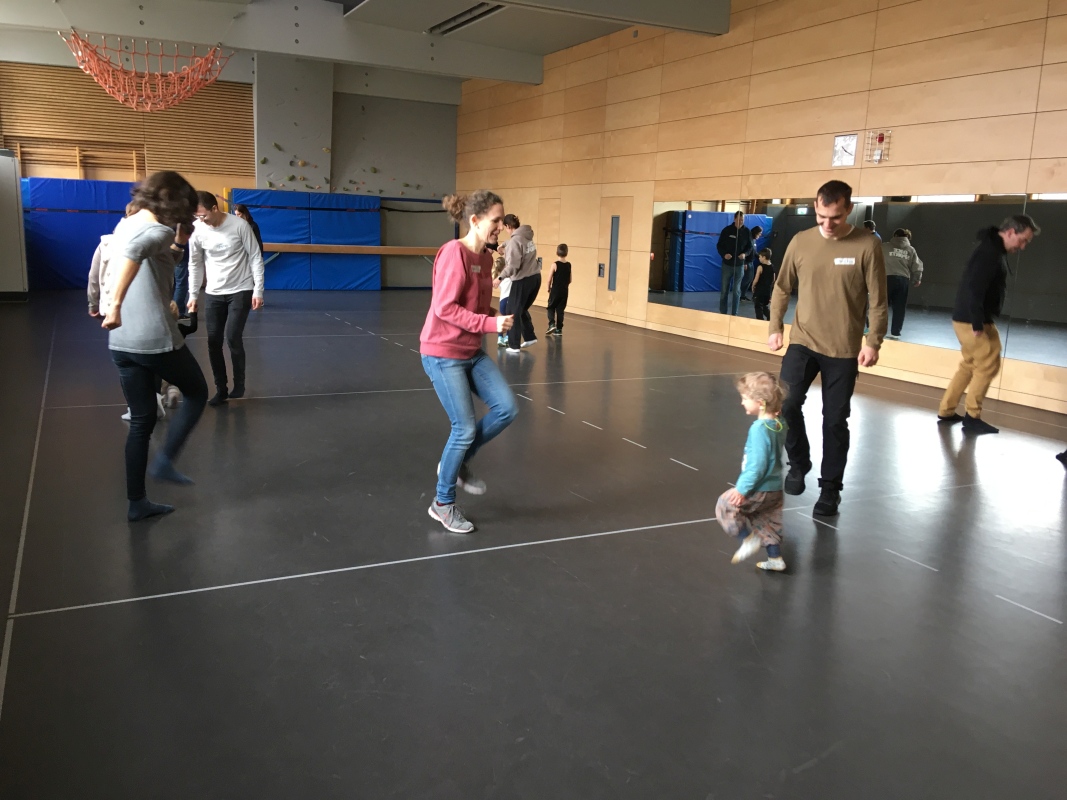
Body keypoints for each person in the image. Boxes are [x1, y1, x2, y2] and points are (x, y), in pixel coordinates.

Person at [768, 180, 887, 517]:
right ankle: (799, 462)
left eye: (835, 217)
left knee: (834, 420)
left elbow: (879, 300)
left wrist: (873, 341)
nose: (827, 224)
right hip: (803, 341)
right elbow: (782, 287)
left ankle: (830, 489)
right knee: (786, 402)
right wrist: (775, 327)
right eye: (821, 216)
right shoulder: (801, 241)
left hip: (843, 349)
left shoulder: (867, 244)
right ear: (816, 208)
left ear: (849, 209)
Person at [100, 171, 209, 522]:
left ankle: (137, 502)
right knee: (197, 393)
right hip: (153, 337)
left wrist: (179, 244)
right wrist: (115, 304)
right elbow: (136, 253)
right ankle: (164, 462)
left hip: (121, 342)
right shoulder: (157, 230)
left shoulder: (127, 224)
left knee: (142, 420)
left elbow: (150, 263)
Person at [421, 191, 518, 533]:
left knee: (507, 408)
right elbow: (445, 308)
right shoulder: (454, 253)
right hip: (442, 352)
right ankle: (442, 503)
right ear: (475, 221)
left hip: (470, 351)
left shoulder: (484, 259)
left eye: (502, 221)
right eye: (496, 221)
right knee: (462, 429)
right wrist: (491, 324)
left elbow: (473, 306)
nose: (501, 227)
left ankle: (458, 461)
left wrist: (495, 315)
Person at [937, 215, 1039, 435]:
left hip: (970, 318)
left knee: (970, 364)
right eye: (1022, 240)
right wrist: (977, 322)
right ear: (1010, 232)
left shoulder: (992, 249)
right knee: (988, 365)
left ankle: (946, 410)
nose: (1022, 246)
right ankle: (972, 417)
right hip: (972, 320)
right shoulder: (989, 253)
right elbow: (975, 287)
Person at [187, 191, 265, 405]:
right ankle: (221, 389)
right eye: (196, 216)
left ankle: (239, 383)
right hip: (214, 292)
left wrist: (258, 290)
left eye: (203, 215)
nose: (200, 220)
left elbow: (255, 256)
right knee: (213, 341)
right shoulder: (198, 229)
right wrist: (193, 294)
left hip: (241, 288)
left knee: (232, 337)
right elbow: (195, 263)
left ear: (215, 208)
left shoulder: (239, 226)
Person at [716, 372, 788, 572]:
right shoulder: (779, 423)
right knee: (767, 521)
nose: (742, 402)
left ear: (760, 403)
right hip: (775, 489)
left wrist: (741, 489)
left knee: (724, 505)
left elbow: (757, 465)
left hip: (759, 488)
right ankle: (775, 559)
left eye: (745, 398)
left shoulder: (759, 429)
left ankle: (747, 539)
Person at [497, 214, 540, 354]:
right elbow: (515, 244)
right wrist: (504, 245)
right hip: (535, 277)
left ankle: (514, 345)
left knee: (512, 311)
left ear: (508, 226)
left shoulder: (515, 241)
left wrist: (499, 278)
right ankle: (530, 336)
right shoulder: (526, 235)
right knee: (520, 308)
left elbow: (513, 266)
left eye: (505, 228)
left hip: (522, 280)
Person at [88, 201, 139, 318]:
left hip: (111, 306)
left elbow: (93, 277)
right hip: (139, 308)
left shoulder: (106, 243)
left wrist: (93, 304)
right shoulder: (151, 243)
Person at [882, 228, 923, 339]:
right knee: (899, 307)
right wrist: (917, 279)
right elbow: (917, 266)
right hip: (903, 280)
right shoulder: (911, 250)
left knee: (882, 306)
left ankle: (879, 330)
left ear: (895, 235)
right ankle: (895, 332)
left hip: (887, 278)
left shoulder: (884, 246)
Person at [716, 211, 752, 316]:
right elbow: (719, 245)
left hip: (739, 265)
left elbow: (750, 247)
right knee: (724, 290)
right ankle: (723, 312)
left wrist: (745, 254)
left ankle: (734, 313)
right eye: (739, 219)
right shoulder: (727, 230)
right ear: (734, 219)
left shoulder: (747, 232)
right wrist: (724, 254)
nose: (741, 222)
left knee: (736, 291)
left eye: (742, 220)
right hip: (727, 265)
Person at [546, 243, 571, 336]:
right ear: (567, 253)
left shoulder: (555, 264)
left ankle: (552, 324)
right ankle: (559, 329)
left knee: (551, 307)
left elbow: (549, 279)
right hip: (564, 291)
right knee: (560, 309)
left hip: (555, 290)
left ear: (557, 252)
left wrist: (548, 288)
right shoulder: (569, 265)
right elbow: (570, 280)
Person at [493, 249, 512, 348]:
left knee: (501, 319)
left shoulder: (497, 278)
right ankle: (508, 337)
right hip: (510, 299)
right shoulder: (509, 276)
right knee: (509, 319)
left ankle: (500, 337)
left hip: (502, 301)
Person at [739, 225, 763, 302]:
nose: (760, 235)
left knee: (749, 279)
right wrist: (744, 263)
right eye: (759, 233)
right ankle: (739, 294)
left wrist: (760, 257)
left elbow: (754, 252)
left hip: (751, 262)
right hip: (746, 262)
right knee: (746, 279)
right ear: (755, 232)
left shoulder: (754, 241)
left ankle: (743, 295)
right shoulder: (748, 240)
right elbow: (743, 251)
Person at [751, 247, 774, 322]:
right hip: (767, 291)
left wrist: (753, 285)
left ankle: (760, 321)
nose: (759, 258)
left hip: (759, 291)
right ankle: (770, 317)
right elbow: (773, 280)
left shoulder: (760, 267)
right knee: (764, 306)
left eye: (760, 257)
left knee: (758, 307)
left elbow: (756, 279)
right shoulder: (772, 267)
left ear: (764, 257)